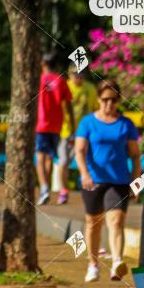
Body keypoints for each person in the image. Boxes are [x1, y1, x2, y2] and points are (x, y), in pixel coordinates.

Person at [74, 79, 141, 282]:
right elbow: (79, 150)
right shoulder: (88, 122)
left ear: (118, 100)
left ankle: (116, 263)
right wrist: (85, 173)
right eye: (104, 100)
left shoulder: (126, 124)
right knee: (93, 223)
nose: (108, 104)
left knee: (116, 220)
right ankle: (93, 265)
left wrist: (136, 181)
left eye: (113, 100)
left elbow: (135, 155)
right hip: (93, 181)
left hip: (119, 181)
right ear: (98, 99)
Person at [35, 52, 74, 206]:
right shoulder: (61, 80)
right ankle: (47, 189)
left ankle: (44, 188)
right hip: (57, 125)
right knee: (50, 157)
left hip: (40, 124)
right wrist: (72, 122)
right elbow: (68, 103)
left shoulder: (38, 79)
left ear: (43, 64)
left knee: (39, 157)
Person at [58, 64, 99, 200]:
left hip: (86, 133)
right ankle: (63, 191)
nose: (78, 77)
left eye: (80, 74)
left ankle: (89, 189)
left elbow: (95, 110)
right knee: (64, 161)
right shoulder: (65, 86)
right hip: (67, 131)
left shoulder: (91, 89)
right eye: (75, 74)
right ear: (69, 74)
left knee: (89, 161)